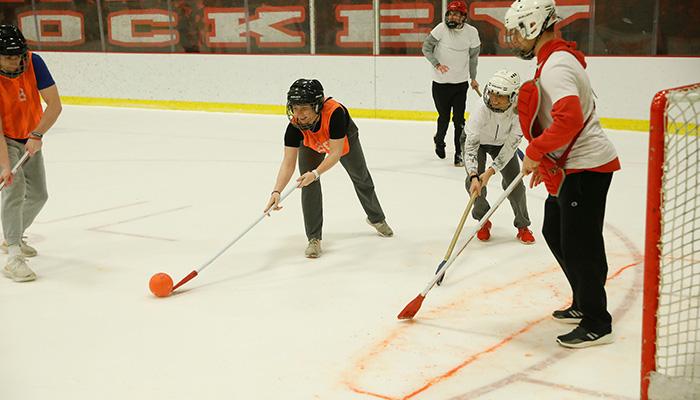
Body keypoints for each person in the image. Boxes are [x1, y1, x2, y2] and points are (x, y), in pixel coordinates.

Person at [504, 0, 621, 348]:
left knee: (580, 243)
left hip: (588, 167)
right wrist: (549, 159)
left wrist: (537, 152)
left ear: (533, 26)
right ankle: (583, 301)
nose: (513, 40)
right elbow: (560, 121)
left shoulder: (555, 65)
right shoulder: (552, 60)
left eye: (516, 32)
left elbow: (568, 118)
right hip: (573, 166)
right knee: (555, 230)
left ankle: (597, 321)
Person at [264, 79, 393, 258]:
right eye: (294, 108)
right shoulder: (294, 126)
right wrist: (276, 191)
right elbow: (288, 162)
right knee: (307, 183)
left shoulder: (335, 114)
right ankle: (314, 238)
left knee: (360, 176)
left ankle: (376, 218)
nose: (298, 114)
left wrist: (316, 173)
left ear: (317, 106)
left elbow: (335, 153)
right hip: (311, 144)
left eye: (304, 109)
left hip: (342, 140)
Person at [0, 24, 62, 282]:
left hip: (29, 135)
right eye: (8, 57)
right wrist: (5, 167)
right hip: (4, 138)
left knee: (38, 194)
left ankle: (12, 235)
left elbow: (55, 105)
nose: (16, 62)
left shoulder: (34, 62)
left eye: (18, 56)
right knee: (13, 191)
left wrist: (37, 134)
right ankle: (14, 255)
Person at [463, 70, 534, 244]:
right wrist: (474, 175)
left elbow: (510, 146)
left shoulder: (520, 112)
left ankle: (522, 226)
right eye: (492, 93)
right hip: (478, 143)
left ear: (513, 96)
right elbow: (471, 145)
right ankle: (483, 220)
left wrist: (491, 171)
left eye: (500, 96)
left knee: (515, 185)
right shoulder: (481, 109)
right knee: (474, 184)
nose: (493, 99)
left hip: (503, 144)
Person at [422, 0, 481, 167]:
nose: (451, 16)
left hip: (460, 84)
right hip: (440, 84)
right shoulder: (441, 29)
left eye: (456, 14)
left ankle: (458, 153)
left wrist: (473, 77)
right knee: (444, 117)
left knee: (459, 120)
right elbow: (426, 47)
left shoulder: (472, 33)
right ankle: (439, 140)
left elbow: (473, 58)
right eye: (450, 13)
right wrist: (436, 64)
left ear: (463, 17)